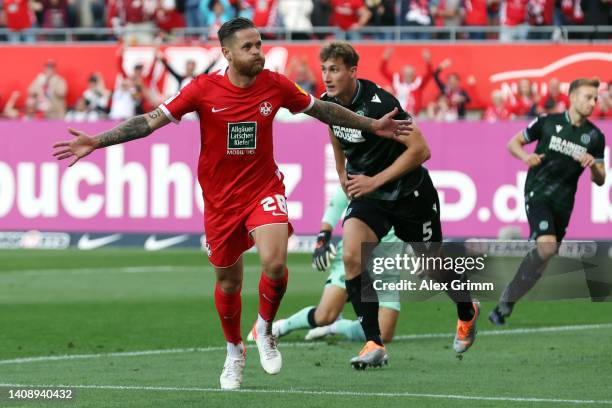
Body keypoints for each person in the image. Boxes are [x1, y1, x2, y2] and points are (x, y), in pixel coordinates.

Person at [51, 18, 412, 390]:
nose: (258, 51)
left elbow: (322, 110)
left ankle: (266, 330)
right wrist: (97, 141)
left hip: (263, 189)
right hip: (221, 201)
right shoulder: (202, 90)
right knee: (228, 282)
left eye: (259, 44)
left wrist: (370, 126)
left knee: (274, 262)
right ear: (227, 53)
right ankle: (234, 349)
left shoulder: (275, 84)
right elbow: (148, 122)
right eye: (249, 47)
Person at [318, 41, 479, 370]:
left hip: (410, 195)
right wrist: (341, 173)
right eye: (324, 69)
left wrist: (374, 181)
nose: (327, 76)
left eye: (334, 69)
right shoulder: (328, 104)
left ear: (352, 71)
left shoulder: (381, 104)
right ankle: (374, 343)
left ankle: (467, 310)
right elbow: (335, 133)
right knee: (351, 256)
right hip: (371, 196)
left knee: (433, 266)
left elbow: (421, 150)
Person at [490, 78, 606, 325]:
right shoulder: (547, 122)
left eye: (595, 98)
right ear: (573, 97)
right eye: (588, 97)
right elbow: (514, 143)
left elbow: (601, 179)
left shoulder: (595, 136)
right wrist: (526, 157)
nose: (593, 102)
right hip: (538, 192)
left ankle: (506, 303)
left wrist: (592, 165)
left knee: (542, 262)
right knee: (546, 247)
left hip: (564, 204)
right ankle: (509, 294)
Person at [247, 186, 403, 344]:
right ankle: (281, 326)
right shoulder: (368, 169)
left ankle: (336, 327)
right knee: (325, 316)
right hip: (355, 252)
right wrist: (323, 239)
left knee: (384, 333)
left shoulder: (411, 178)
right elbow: (338, 203)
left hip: (387, 260)